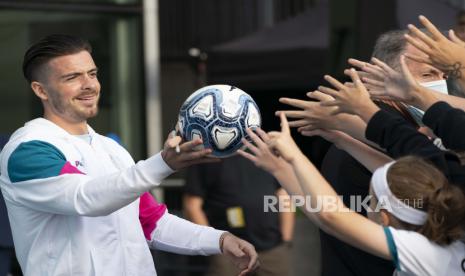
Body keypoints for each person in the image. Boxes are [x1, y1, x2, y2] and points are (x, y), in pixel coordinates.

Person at [0, 34, 259, 276]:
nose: (89, 85)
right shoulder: (28, 149)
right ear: (41, 90)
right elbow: (87, 198)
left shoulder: (111, 149)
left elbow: (152, 222)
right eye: (72, 77)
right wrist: (163, 163)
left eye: (92, 74)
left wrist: (220, 239)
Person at [275, 28, 448, 276]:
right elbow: (333, 217)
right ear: (384, 76)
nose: (440, 84)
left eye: (444, 74)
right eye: (428, 74)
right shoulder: (377, 135)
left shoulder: (373, 131)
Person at [240, 109, 465, 275]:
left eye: (371, 200)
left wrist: (293, 155)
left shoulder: (423, 252)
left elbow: (331, 216)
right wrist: (341, 139)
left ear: (384, 217)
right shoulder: (449, 237)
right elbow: (321, 212)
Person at [184, 155, 295, 276]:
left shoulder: (264, 151)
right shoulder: (206, 156)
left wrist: (286, 239)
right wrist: (213, 244)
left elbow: (284, 195)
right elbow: (192, 206)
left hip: (272, 249)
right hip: (226, 252)